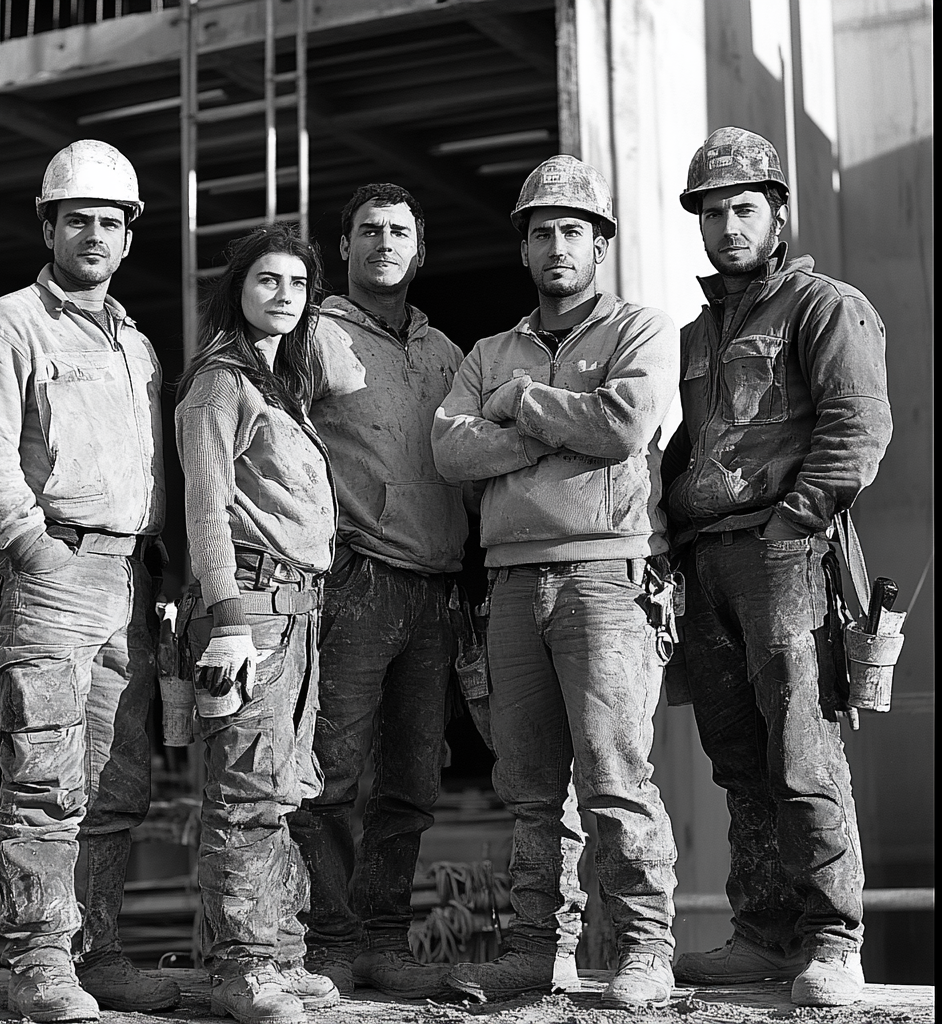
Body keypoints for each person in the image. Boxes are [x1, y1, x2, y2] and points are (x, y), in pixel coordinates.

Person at [432, 154, 680, 1011]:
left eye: (574, 230)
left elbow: (622, 426)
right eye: (542, 233)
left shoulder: (639, 331)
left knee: (615, 776)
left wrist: (520, 405)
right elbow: (449, 450)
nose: (558, 246)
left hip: (604, 578)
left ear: (600, 244)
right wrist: (548, 426)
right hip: (509, 585)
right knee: (530, 788)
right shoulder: (488, 349)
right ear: (525, 250)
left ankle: (646, 950)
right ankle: (540, 953)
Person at [0, 140, 179, 1022]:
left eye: (110, 221)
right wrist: (33, 547)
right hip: (53, 571)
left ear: (128, 237)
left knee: (119, 779)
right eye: (76, 217)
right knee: (45, 775)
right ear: (48, 226)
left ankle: (97, 951)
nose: (94, 232)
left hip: (125, 578)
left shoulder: (138, 345)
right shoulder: (11, 324)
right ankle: (40, 960)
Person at [661, 127, 893, 1008]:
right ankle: (762, 933)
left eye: (742, 208)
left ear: (778, 213)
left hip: (783, 555)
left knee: (803, 751)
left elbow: (857, 431)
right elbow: (687, 447)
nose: (726, 225)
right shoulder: (695, 333)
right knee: (737, 758)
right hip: (706, 562)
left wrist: (790, 526)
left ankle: (834, 939)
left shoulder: (825, 306)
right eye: (712, 211)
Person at [287, 183, 468, 1000]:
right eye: (368, 231)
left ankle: (386, 941)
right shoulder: (311, 333)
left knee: (411, 780)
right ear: (345, 246)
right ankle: (327, 941)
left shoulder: (446, 353)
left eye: (399, 231)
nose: (384, 242)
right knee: (329, 770)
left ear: (419, 248)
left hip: (434, 589)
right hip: (354, 576)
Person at [174, 224, 342, 1024]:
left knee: (283, 789)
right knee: (245, 792)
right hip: (254, 609)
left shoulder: (282, 386)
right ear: (237, 289)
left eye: (299, 285)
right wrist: (229, 621)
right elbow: (206, 512)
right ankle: (245, 969)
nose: (285, 296)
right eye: (268, 281)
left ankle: (279, 952)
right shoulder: (220, 384)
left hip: (297, 611)